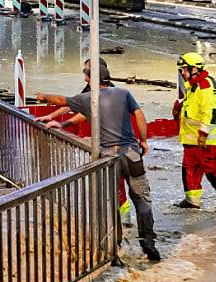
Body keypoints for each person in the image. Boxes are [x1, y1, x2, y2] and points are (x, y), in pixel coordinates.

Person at [36, 59, 161, 261]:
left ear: (92, 79)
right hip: (132, 153)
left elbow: (62, 100)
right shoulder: (124, 94)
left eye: (86, 75)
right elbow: (139, 115)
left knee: (109, 200)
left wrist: (42, 97)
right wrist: (143, 140)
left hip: (109, 158)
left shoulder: (89, 98)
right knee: (143, 200)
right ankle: (149, 244)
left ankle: (115, 248)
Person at [172, 52, 216, 210]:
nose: (182, 73)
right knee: (189, 169)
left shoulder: (206, 86)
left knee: (212, 171)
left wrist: (203, 134)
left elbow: (211, 112)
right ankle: (192, 201)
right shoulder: (194, 85)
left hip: (206, 141)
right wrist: (180, 104)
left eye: (184, 69)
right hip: (191, 140)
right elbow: (193, 104)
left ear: (194, 68)